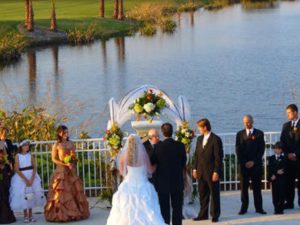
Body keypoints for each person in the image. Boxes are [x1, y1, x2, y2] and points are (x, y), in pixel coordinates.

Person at [106, 135, 167, 225]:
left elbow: (122, 172)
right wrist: (157, 165)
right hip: (143, 183)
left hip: (128, 183)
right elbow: (150, 170)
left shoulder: (124, 156)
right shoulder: (143, 155)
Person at [44, 125, 89, 222]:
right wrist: (64, 163)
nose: (66, 134)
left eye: (67, 132)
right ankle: (60, 214)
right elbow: (53, 159)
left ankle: (74, 213)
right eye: (64, 132)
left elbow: (73, 155)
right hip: (61, 170)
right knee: (61, 192)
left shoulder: (71, 143)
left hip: (70, 169)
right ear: (59, 133)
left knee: (74, 190)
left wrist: (72, 163)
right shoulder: (56, 145)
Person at [152, 123, 187, 225]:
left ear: (163, 133)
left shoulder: (158, 146)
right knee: (177, 208)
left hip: (163, 182)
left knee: (164, 208)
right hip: (177, 181)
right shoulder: (180, 146)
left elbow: (153, 161)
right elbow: (183, 162)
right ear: (172, 132)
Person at [192, 118, 223, 223]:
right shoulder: (199, 139)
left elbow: (218, 157)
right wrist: (195, 168)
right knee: (203, 194)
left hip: (211, 172)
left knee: (214, 195)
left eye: (199, 127)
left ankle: (215, 215)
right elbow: (196, 155)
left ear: (205, 127)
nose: (199, 129)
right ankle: (203, 214)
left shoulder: (216, 139)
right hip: (201, 171)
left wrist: (216, 171)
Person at [236, 115, 266, 215]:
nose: (247, 123)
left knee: (257, 188)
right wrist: (245, 162)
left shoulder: (259, 133)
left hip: (256, 165)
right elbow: (238, 150)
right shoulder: (239, 134)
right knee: (244, 188)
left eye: (248, 122)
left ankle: (259, 208)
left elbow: (261, 150)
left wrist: (253, 161)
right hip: (244, 166)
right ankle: (244, 208)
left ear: (252, 121)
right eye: (245, 122)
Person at [9, 140, 45, 223]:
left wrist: (32, 178)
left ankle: (31, 215)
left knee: (31, 195)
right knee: (24, 195)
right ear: (21, 147)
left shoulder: (30, 155)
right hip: (22, 177)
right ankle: (25, 215)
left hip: (31, 175)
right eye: (25, 145)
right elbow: (17, 169)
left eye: (28, 145)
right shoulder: (17, 156)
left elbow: (34, 166)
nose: (27, 147)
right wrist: (25, 180)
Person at [280, 104, 300, 209]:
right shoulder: (286, 126)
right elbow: (282, 142)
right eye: (286, 113)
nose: (287, 114)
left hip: (299, 159)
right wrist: (288, 154)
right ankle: (289, 202)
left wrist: (295, 154)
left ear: (295, 112)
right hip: (288, 160)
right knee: (289, 182)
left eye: (289, 112)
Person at [268, 142, 287, 214]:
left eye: (278, 149)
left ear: (281, 150)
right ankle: (276, 208)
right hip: (274, 179)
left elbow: (284, 168)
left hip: (281, 179)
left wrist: (281, 171)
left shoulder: (284, 158)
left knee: (281, 194)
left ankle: (281, 208)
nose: (276, 150)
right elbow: (270, 168)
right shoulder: (271, 158)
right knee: (275, 194)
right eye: (275, 148)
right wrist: (272, 175)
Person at [0, 147, 16, 224]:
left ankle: (6, 217)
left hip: (5, 182)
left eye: (2, 153)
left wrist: (10, 165)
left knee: (6, 198)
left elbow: (12, 172)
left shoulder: (7, 161)